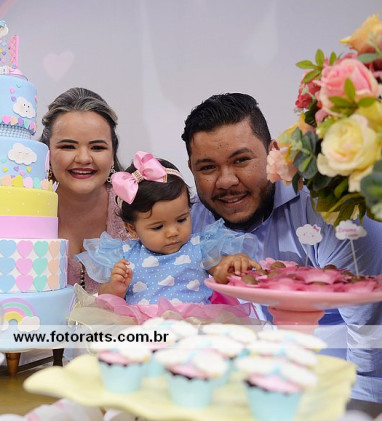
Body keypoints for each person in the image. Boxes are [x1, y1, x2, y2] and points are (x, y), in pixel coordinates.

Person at [181, 92, 382, 402]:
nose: (226, 181)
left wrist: (353, 407)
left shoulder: (330, 210)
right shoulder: (189, 222)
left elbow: (369, 329)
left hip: (336, 384)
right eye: (207, 167)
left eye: (241, 160)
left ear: (273, 152)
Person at [77, 151, 260, 304]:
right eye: (158, 227)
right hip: (146, 329)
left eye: (181, 219)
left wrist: (233, 263)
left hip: (194, 325)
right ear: (132, 228)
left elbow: (221, 272)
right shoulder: (125, 256)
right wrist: (115, 287)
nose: (173, 232)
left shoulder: (200, 247)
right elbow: (105, 298)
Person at [40, 87, 131, 294]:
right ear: (47, 152)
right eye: (68, 146)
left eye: (97, 147)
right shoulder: (26, 210)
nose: (83, 158)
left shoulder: (136, 207)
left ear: (112, 153)